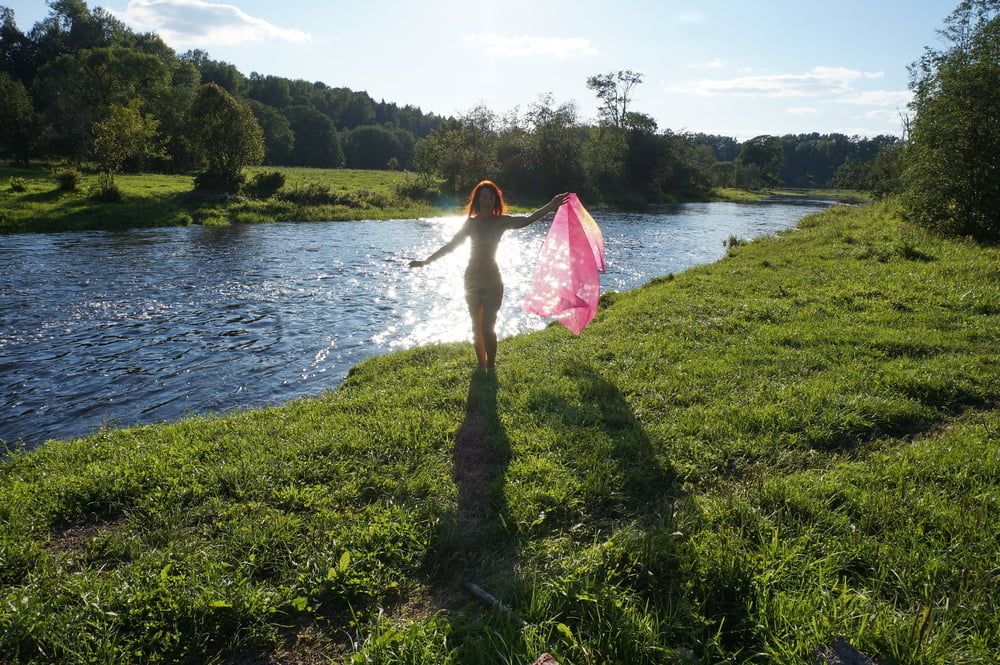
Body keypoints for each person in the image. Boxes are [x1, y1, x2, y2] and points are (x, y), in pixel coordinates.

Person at [409, 181, 568, 373]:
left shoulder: (501, 221)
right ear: (478, 199)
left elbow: (528, 219)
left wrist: (551, 206)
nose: (488, 200)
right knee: (476, 329)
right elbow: (450, 246)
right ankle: (481, 366)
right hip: (471, 280)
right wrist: (425, 261)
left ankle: (491, 366)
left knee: (487, 328)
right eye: (485, 196)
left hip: (493, 280)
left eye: (492, 197)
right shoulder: (470, 224)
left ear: (496, 200)